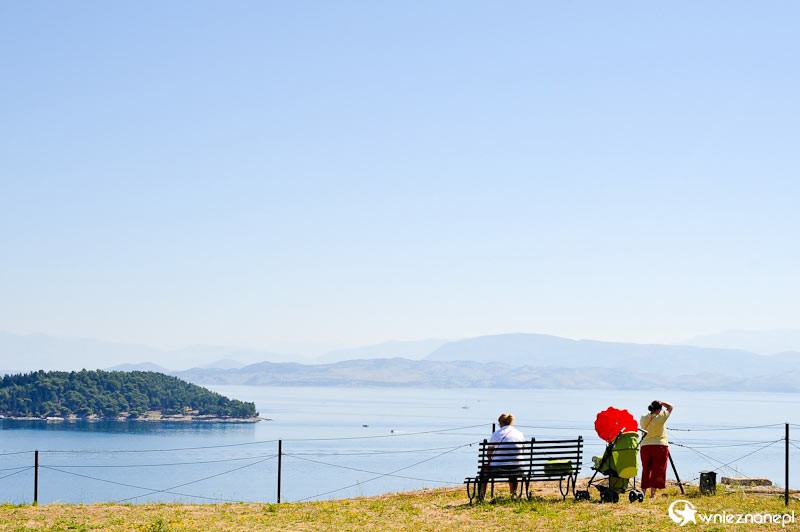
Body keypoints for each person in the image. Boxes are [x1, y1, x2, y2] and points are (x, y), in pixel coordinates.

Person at [478, 413, 526, 500]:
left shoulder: (496, 434)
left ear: (501, 423)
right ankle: (513, 494)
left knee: (484, 470)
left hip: (498, 468)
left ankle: (481, 496)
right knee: (512, 467)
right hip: (517, 467)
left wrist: (490, 461)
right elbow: (522, 451)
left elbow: (489, 453)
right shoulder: (519, 434)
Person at [639, 399, 673, 498]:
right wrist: (662, 403)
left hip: (645, 446)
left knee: (646, 469)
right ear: (658, 409)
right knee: (657, 470)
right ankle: (652, 495)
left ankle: (643, 492)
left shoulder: (643, 417)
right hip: (659, 445)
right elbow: (670, 407)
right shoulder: (661, 417)